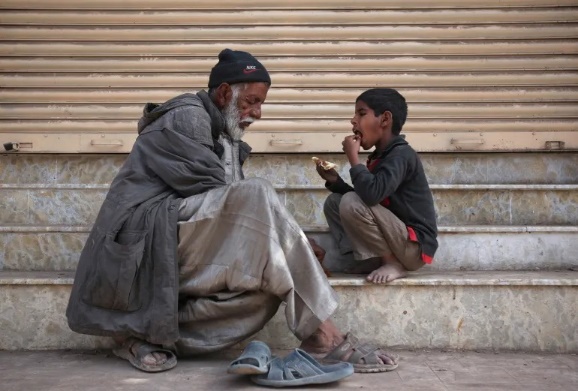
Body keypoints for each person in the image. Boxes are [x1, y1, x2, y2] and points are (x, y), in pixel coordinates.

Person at [66, 49, 398, 373]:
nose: (258, 112)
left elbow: (232, 209)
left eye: (261, 104)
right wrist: (288, 240)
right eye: (252, 101)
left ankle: (146, 334)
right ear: (225, 93)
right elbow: (224, 197)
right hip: (141, 242)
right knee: (257, 194)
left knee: (268, 288)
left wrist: (292, 243)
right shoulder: (186, 116)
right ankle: (324, 335)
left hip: (177, 243)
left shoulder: (224, 135)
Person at [316, 88, 438, 284]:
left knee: (350, 201)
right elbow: (367, 201)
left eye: (361, 113)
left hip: (413, 245)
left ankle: (393, 263)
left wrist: (354, 159)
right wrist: (335, 182)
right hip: (396, 237)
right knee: (335, 202)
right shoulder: (381, 156)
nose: (353, 121)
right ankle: (371, 259)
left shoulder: (401, 154)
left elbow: (371, 196)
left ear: (385, 119)